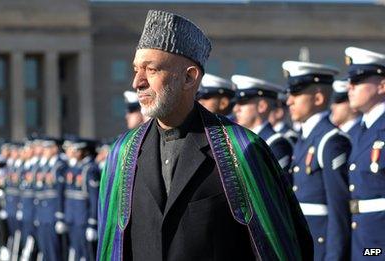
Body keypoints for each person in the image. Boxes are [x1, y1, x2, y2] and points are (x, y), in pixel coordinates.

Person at [97, 10, 312, 261]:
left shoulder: (240, 151)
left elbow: (279, 246)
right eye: (136, 69)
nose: (137, 82)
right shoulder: (123, 153)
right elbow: (112, 246)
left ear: (189, 77)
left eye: (151, 70)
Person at [282, 60, 352, 260]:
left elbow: (338, 209)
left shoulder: (331, 140)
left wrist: (335, 256)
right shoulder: (306, 138)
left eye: (296, 94)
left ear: (319, 98)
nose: (289, 101)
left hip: (322, 248)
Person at [344, 46, 385, 259]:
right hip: (364, 239)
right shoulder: (362, 130)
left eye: (358, 80)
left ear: (382, 86)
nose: (349, 87)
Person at [231, 74, 294, 175]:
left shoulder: (276, 143)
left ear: (261, 106)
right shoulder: (241, 138)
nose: (236, 109)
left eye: (242, 103)